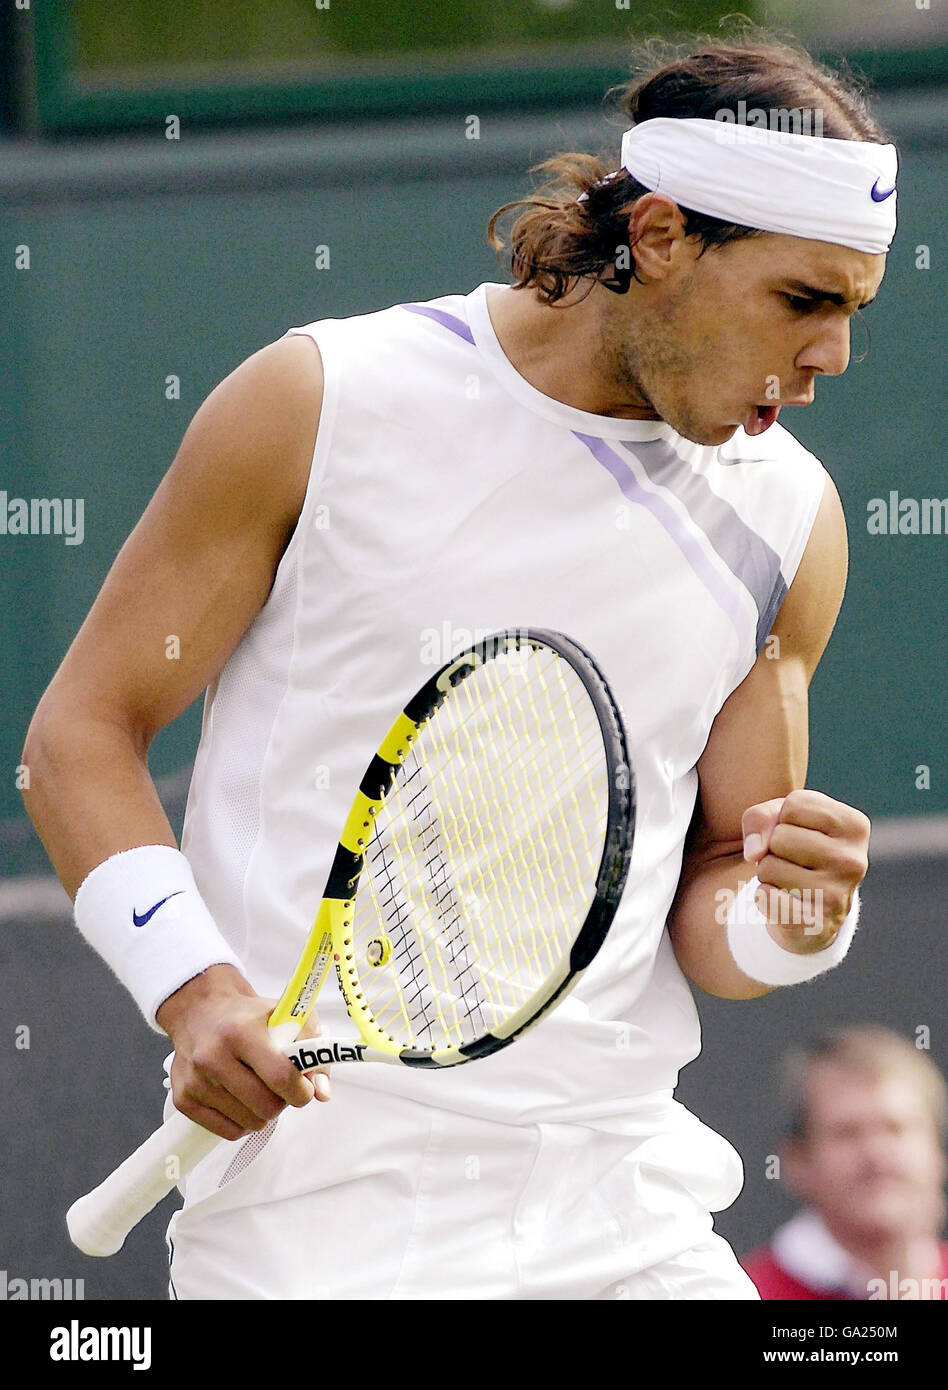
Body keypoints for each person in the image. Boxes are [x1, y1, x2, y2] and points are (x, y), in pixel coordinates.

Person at [23, 29, 884, 1299]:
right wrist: (193, 992)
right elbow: (79, 735)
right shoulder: (321, 401)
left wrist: (795, 919)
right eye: (802, 302)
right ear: (655, 238)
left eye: (855, 311)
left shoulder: (790, 520)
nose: (832, 359)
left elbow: (713, 897)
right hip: (312, 1236)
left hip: (629, 1221)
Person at [742, 1026, 948, 1300]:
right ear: (797, 1161)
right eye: (847, 1133)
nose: (877, 1153)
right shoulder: (741, 1292)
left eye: (896, 1128)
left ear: (937, 1153)